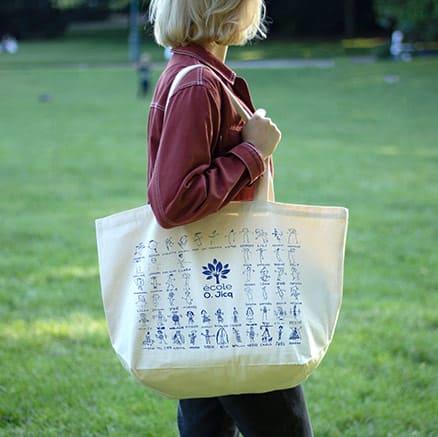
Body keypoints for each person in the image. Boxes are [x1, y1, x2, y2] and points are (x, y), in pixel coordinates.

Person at [147, 1, 313, 436]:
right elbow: (172, 202)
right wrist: (253, 153)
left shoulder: (203, 78)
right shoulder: (199, 84)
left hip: (207, 294)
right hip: (234, 301)